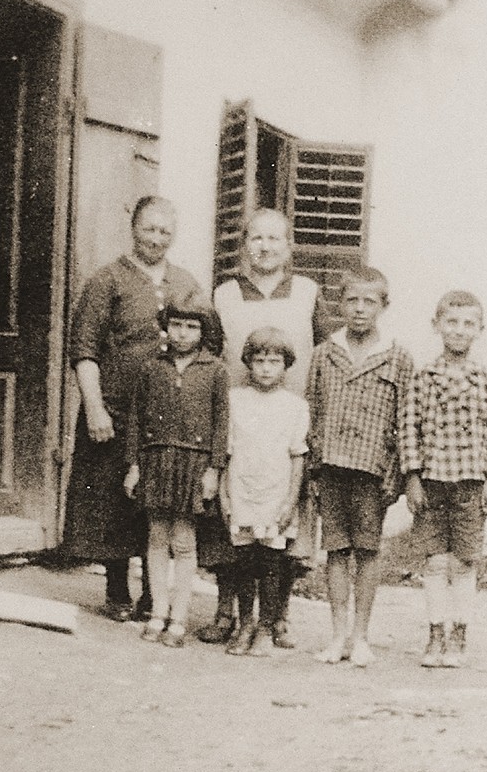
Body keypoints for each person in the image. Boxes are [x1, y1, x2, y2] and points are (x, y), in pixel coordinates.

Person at [198, 208, 341, 648]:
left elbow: (326, 357)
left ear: (288, 246)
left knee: (285, 526)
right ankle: (227, 612)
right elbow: (208, 357)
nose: (265, 247)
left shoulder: (307, 292)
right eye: (256, 238)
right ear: (244, 244)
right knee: (232, 524)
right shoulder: (223, 294)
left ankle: (278, 617)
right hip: (238, 425)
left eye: (274, 239)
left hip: (288, 425)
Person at [62, 197, 204, 622]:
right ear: (134, 229)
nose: (156, 239)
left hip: (166, 418)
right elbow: (84, 350)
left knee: (157, 500)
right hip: (116, 410)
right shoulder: (107, 280)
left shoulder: (185, 282)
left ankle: (152, 593)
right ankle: (117, 587)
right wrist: (95, 407)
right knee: (110, 496)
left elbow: (206, 342)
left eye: (165, 231)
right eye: (149, 229)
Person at [305, 267, 414, 668]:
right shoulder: (324, 354)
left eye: (369, 301)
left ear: (383, 306)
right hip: (331, 466)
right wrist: (313, 469)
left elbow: (406, 419)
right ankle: (337, 636)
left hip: (372, 471)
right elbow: (312, 412)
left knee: (367, 551)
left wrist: (397, 472)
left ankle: (361, 636)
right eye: (352, 300)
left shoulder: (398, 357)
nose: (360, 309)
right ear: (340, 304)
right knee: (335, 551)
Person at [401, 291, 487, 669]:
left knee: (463, 563)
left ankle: (459, 635)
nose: (459, 330)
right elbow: (409, 428)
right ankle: (435, 633)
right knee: (433, 563)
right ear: (437, 325)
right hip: (431, 481)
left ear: (479, 330)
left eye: (468, 324)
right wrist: (412, 477)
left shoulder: (486, 378)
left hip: (470, 483)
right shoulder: (423, 376)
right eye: (451, 322)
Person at [123, 306, 229, 645]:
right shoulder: (152, 367)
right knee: (156, 538)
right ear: (166, 327)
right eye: (176, 325)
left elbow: (221, 425)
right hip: (156, 459)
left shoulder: (215, 370)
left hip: (193, 465)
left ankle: (179, 619)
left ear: (203, 331)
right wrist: (134, 465)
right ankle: (158, 613)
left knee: (184, 542)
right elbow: (136, 419)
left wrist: (213, 470)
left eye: (191, 327)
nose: (182, 333)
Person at [218, 326, 310, 656]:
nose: (266, 368)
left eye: (274, 361)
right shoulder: (234, 400)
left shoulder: (295, 406)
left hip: (275, 493)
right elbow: (226, 452)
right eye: (259, 360)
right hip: (242, 489)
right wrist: (224, 494)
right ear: (248, 363)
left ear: (286, 365)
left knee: (271, 561)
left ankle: (266, 627)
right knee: (244, 560)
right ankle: (244, 624)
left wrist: (290, 501)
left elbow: (298, 458)